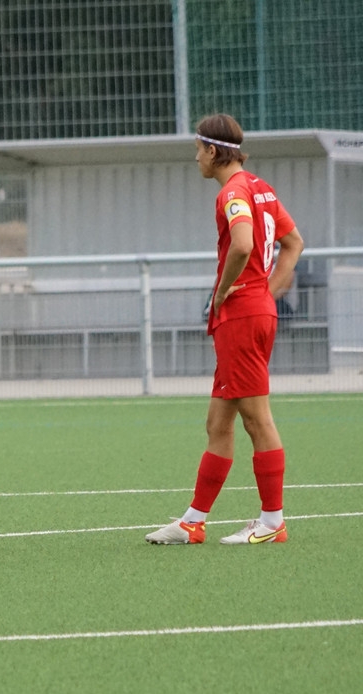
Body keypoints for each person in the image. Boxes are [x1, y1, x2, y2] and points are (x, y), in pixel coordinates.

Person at [146, 113, 304, 545]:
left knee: (257, 419)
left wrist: (222, 293)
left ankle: (272, 522)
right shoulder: (260, 187)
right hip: (254, 311)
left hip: (242, 317)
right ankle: (192, 522)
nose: (196, 158)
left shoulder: (233, 192)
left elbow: (243, 243)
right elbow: (294, 243)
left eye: (198, 150)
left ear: (213, 150)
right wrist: (267, 291)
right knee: (218, 422)